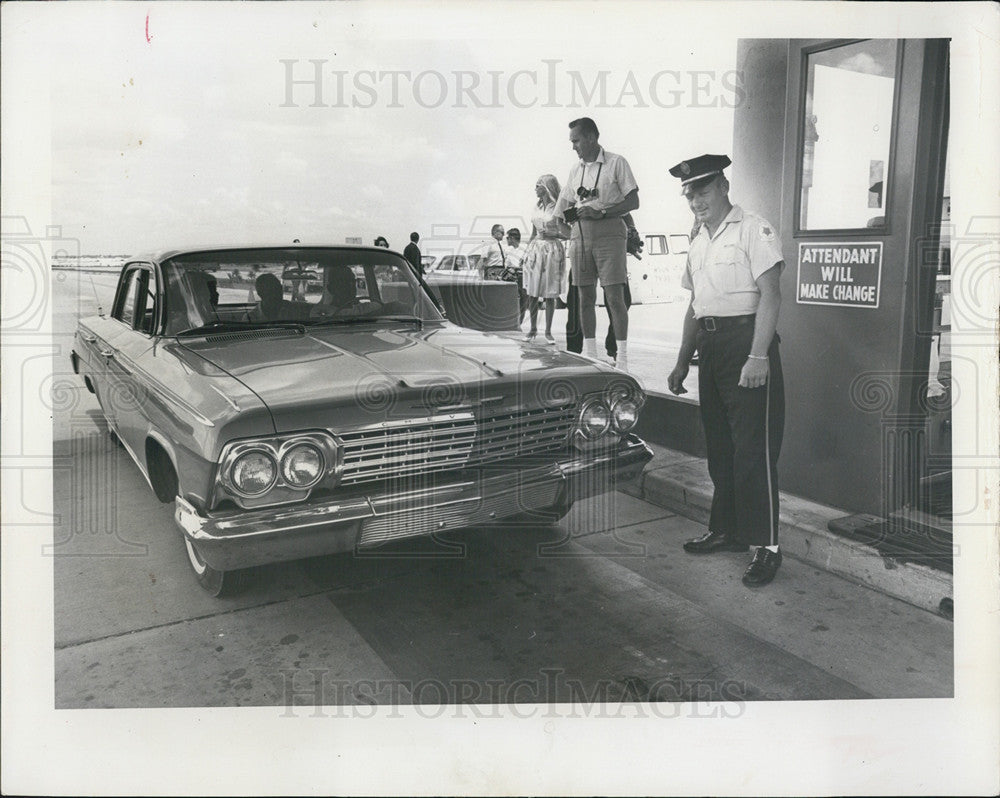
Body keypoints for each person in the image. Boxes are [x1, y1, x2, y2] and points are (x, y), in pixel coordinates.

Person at [665, 154, 786, 587]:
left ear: (722, 187)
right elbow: (695, 306)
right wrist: (682, 359)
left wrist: (758, 357)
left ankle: (766, 546)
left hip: (746, 343)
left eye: (701, 189)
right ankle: (728, 531)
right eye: (688, 193)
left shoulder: (754, 228)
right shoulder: (698, 240)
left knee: (754, 450)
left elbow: (771, 296)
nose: (694, 199)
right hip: (710, 346)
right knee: (721, 448)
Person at [554, 117, 639, 372]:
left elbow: (633, 201)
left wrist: (601, 213)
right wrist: (572, 234)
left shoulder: (616, 163)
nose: (573, 146)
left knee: (614, 296)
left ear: (591, 137)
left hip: (610, 233)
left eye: (576, 140)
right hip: (580, 237)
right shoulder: (575, 170)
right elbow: (562, 211)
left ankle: (621, 357)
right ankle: (590, 354)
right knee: (584, 297)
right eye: (572, 141)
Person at [524, 174, 570, 343]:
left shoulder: (557, 207)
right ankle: (532, 329)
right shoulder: (536, 207)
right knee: (532, 291)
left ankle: (548, 331)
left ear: (546, 187)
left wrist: (554, 233)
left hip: (552, 249)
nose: (535, 188)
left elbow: (568, 233)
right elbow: (533, 233)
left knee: (550, 292)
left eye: (538, 185)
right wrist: (525, 252)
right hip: (536, 249)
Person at [503, 228, 529, 325]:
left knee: (523, 300)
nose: (507, 240)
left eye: (508, 238)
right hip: (510, 277)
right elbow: (506, 264)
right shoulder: (508, 250)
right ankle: (511, 322)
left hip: (522, 277)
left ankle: (519, 323)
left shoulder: (525, 248)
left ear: (513, 238)